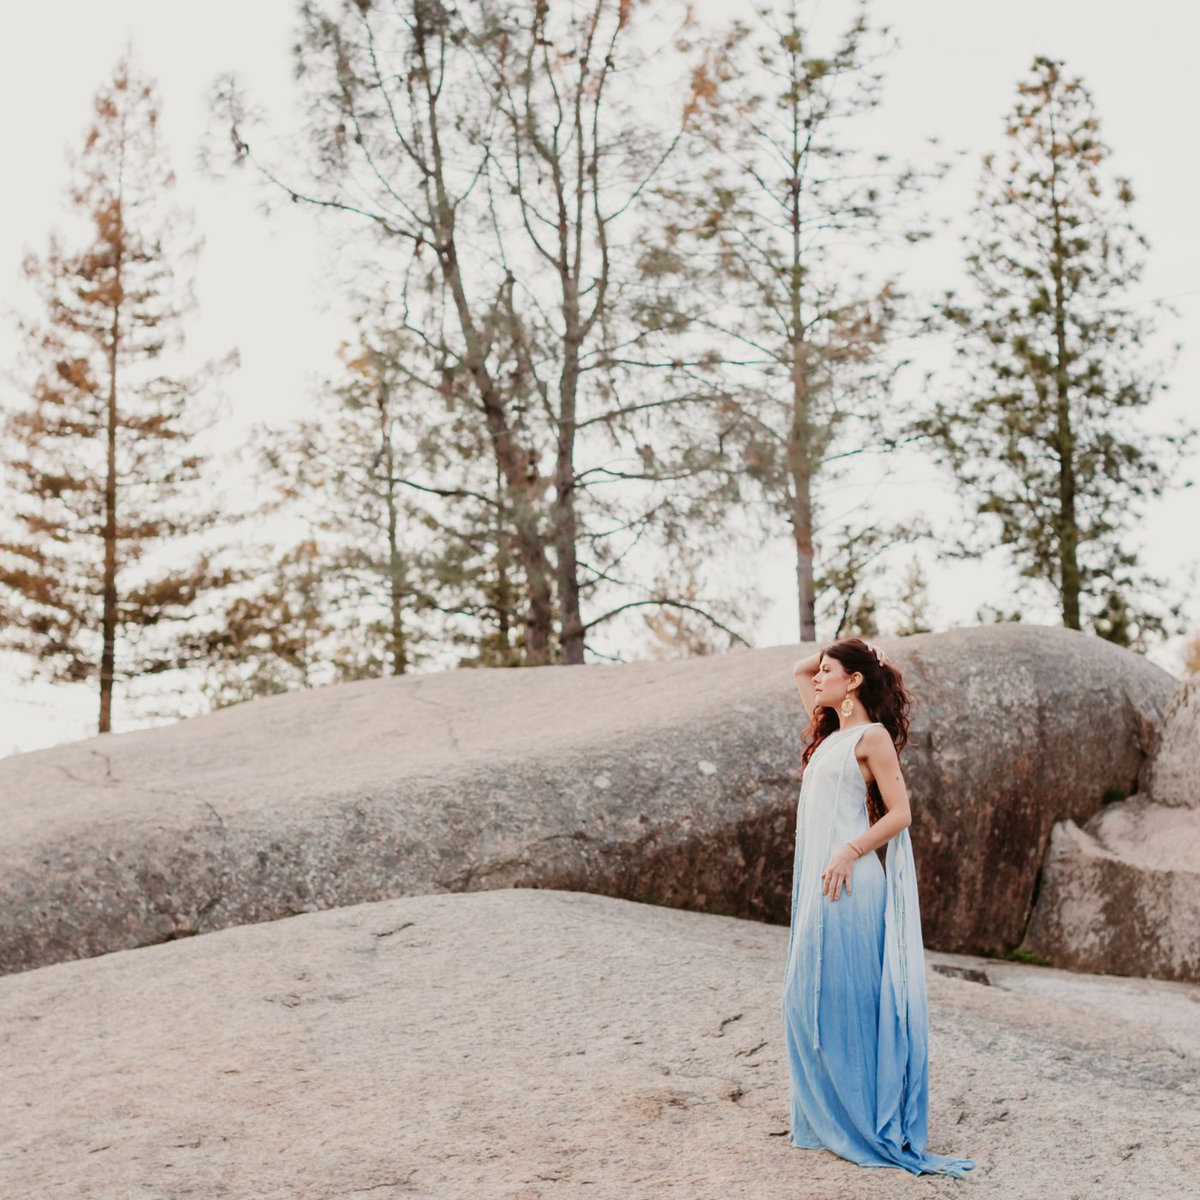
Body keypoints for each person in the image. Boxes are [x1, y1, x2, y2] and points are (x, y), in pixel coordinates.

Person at [780, 637, 975, 1178]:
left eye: (830, 671)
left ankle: (860, 1120)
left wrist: (851, 849)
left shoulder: (872, 738)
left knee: (845, 997)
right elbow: (798, 669)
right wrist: (853, 653)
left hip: (851, 879)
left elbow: (901, 813)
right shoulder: (830, 735)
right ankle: (827, 1119)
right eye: (821, 672)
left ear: (854, 681)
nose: (818, 677)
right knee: (802, 998)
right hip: (820, 882)